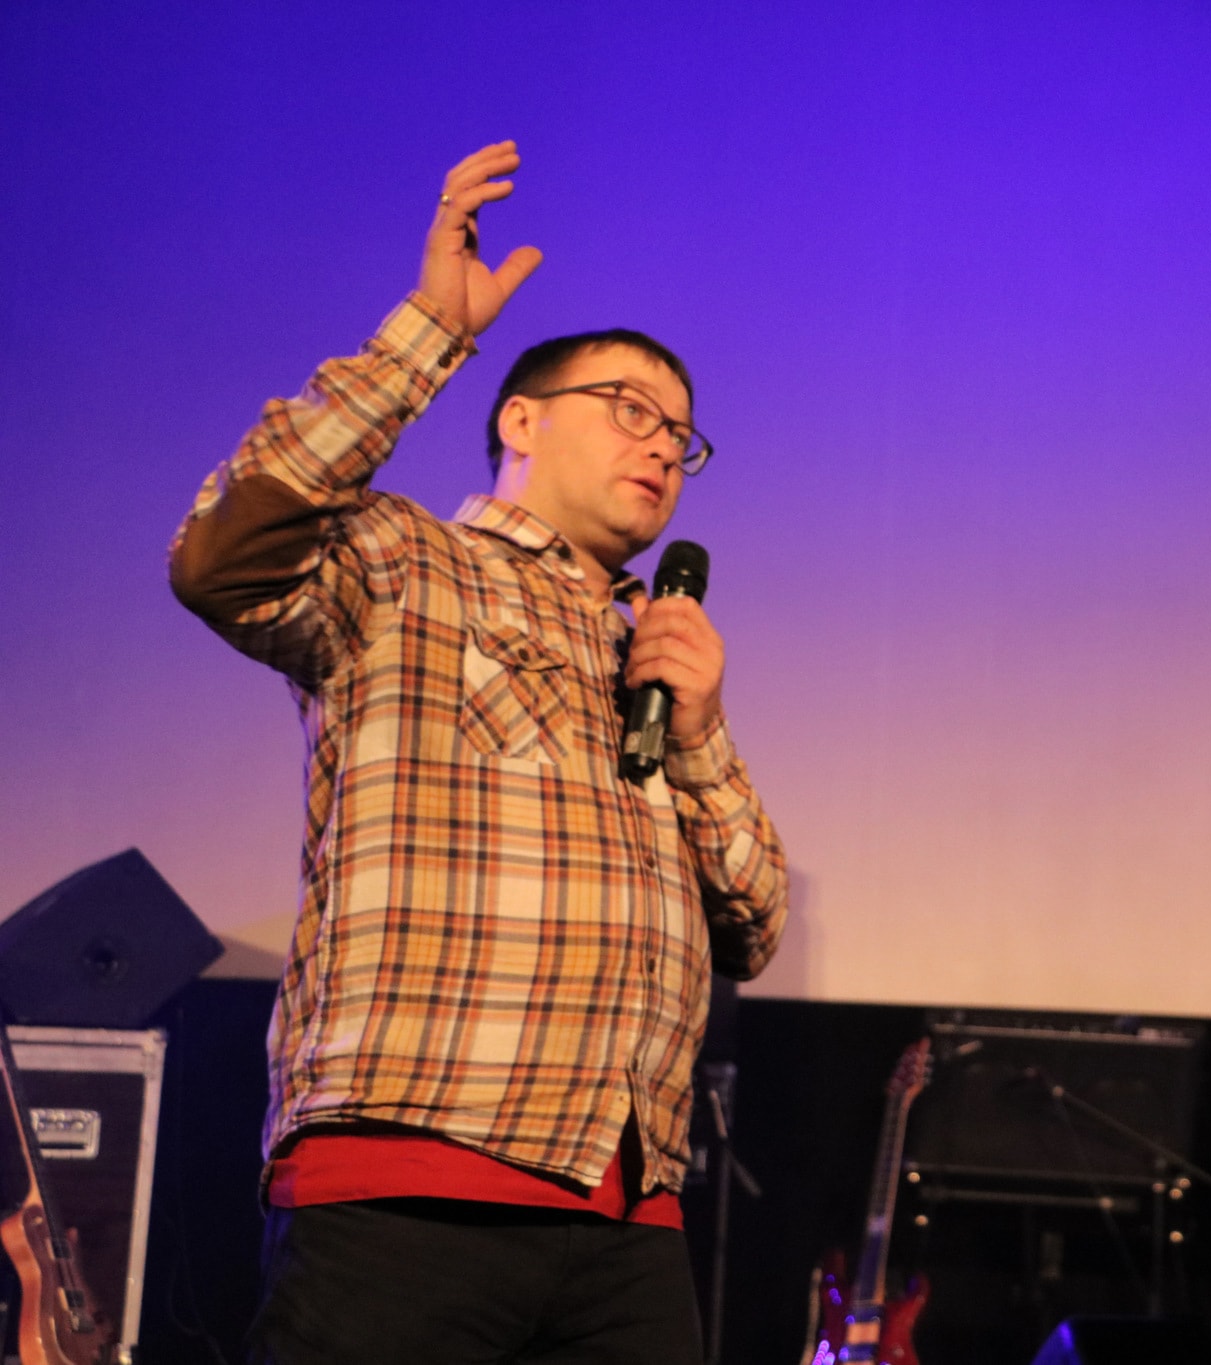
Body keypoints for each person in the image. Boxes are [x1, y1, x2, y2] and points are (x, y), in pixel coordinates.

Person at [169, 141, 788, 1364]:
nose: (662, 446)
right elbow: (219, 559)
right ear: (520, 420)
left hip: (627, 1209)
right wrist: (427, 335)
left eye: (681, 435)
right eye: (631, 410)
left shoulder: (653, 652)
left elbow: (753, 928)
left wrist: (701, 737)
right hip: (415, 1171)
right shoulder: (406, 564)